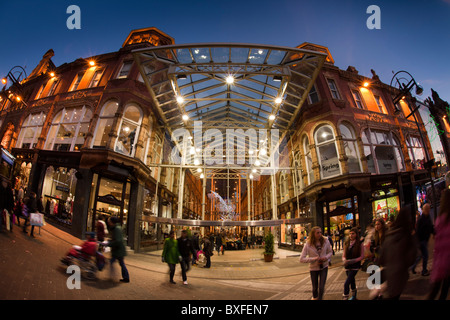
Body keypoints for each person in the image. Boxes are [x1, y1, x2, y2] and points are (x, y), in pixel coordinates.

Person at [378, 205, 417, 300]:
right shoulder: (406, 236)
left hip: (389, 274)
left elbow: (381, 258)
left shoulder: (390, 234)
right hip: (399, 275)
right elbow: (411, 258)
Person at [427, 189, 450, 300]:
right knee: (444, 290)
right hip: (447, 261)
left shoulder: (439, 220)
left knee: (436, 290)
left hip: (440, 261)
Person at [300, 226, 333, 300]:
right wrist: (314, 259)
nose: (320, 234)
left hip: (324, 266)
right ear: (313, 234)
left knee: (321, 287)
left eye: (320, 232)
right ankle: (315, 298)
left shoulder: (325, 241)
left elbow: (330, 252)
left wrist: (326, 257)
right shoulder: (308, 244)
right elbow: (301, 259)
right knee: (315, 288)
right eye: (317, 233)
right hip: (313, 268)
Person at [411, 203, 434, 276]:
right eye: (426, 209)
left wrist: (434, 232)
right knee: (425, 255)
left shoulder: (427, 217)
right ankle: (423, 271)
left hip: (424, 239)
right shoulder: (421, 219)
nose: (428, 210)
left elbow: (430, 227)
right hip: (422, 240)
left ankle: (413, 267)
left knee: (421, 256)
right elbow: (418, 230)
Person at [342, 227, 364, 300]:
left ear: (356, 234)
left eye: (353, 234)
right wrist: (344, 260)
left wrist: (353, 260)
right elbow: (344, 255)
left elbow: (362, 256)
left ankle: (345, 297)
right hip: (347, 265)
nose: (351, 235)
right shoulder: (346, 243)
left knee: (346, 283)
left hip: (355, 265)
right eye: (350, 234)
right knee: (352, 281)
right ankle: (354, 296)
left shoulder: (360, 243)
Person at [107, 217, 129, 283]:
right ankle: (125, 277)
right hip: (118, 250)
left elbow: (118, 240)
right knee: (121, 263)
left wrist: (110, 243)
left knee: (115, 262)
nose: (108, 223)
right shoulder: (116, 228)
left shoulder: (117, 229)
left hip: (118, 250)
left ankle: (113, 276)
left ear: (112, 222)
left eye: (109, 221)